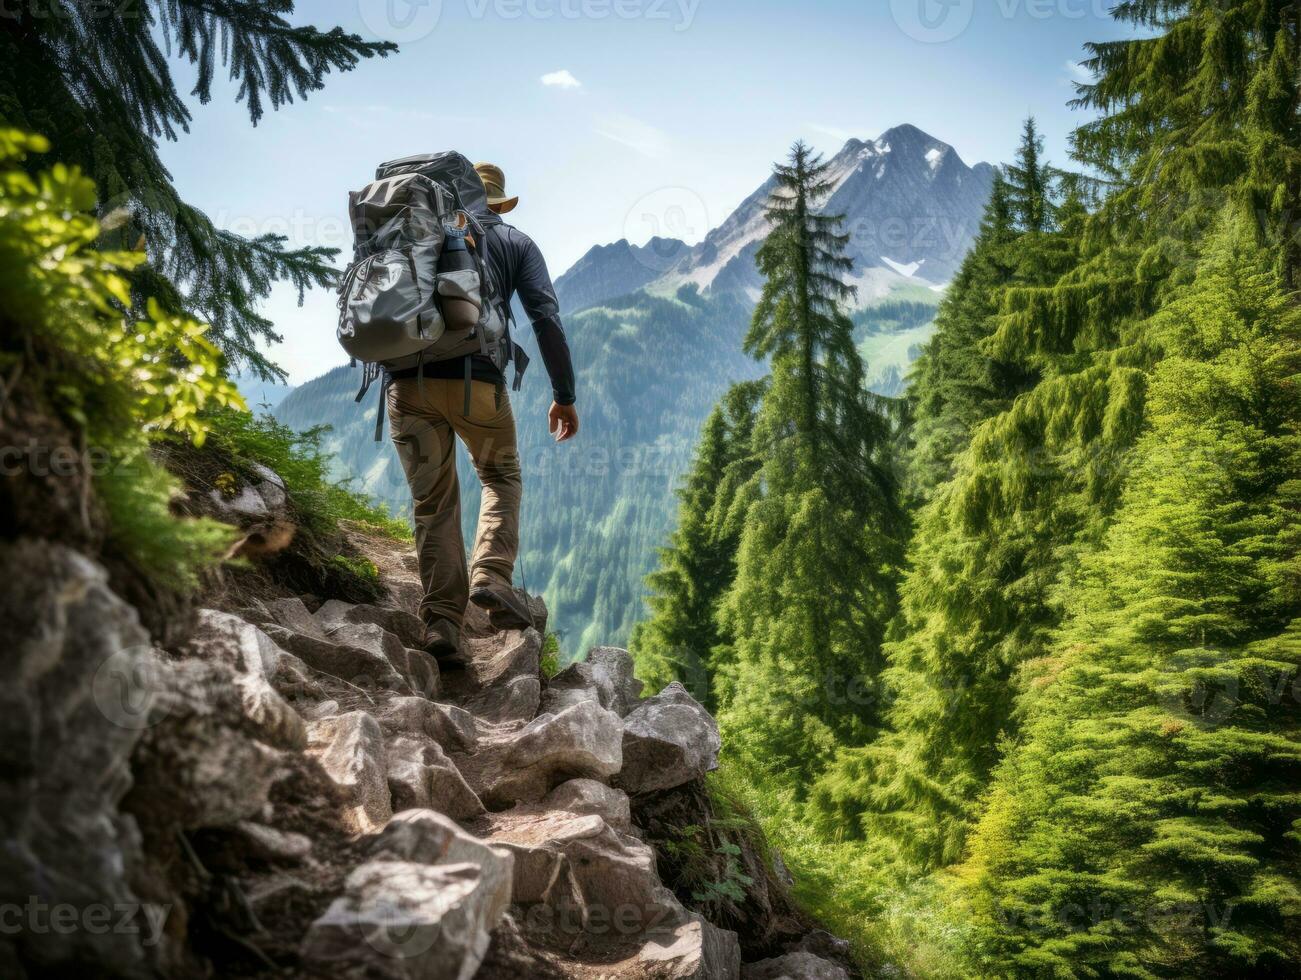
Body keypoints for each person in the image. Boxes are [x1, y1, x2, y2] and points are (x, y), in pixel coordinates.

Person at [384, 161, 578, 666]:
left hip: (407, 387)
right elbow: (545, 318)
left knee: (433, 504)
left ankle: (442, 625)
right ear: (498, 202)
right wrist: (564, 394)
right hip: (477, 386)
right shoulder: (515, 242)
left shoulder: (414, 233)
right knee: (499, 475)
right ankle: (490, 576)